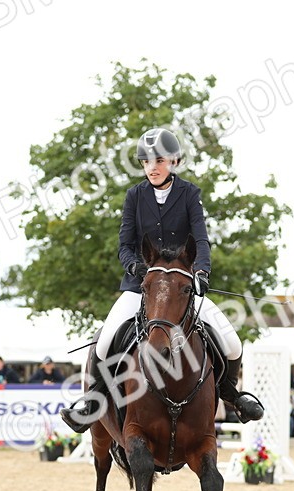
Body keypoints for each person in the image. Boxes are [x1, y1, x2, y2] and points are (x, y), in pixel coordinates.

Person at [60, 127, 263, 433]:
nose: (151, 167)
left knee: (232, 343)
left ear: (174, 161)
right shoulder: (134, 196)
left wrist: (201, 272)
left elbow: (202, 240)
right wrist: (134, 268)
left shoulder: (189, 194)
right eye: (145, 162)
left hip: (182, 286)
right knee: (104, 342)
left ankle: (231, 395)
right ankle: (92, 404)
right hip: (141, 285)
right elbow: (125, 245)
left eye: (158, 160)